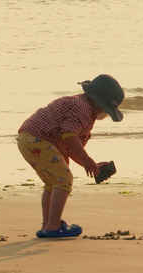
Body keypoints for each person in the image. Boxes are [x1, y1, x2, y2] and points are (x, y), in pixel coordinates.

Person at [17, 74, 124, 238]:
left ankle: (47, 226)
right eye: (107, 110)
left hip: (29, 139)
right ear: (99, 103)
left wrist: (91, 164)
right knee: (64, 180)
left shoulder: (81, 106)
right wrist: (87, 160)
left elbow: (70, 148)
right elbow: (69, 134)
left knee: (52, 182)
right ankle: (53, 226)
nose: (106, 115)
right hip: (39, 140)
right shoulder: (83, 109)